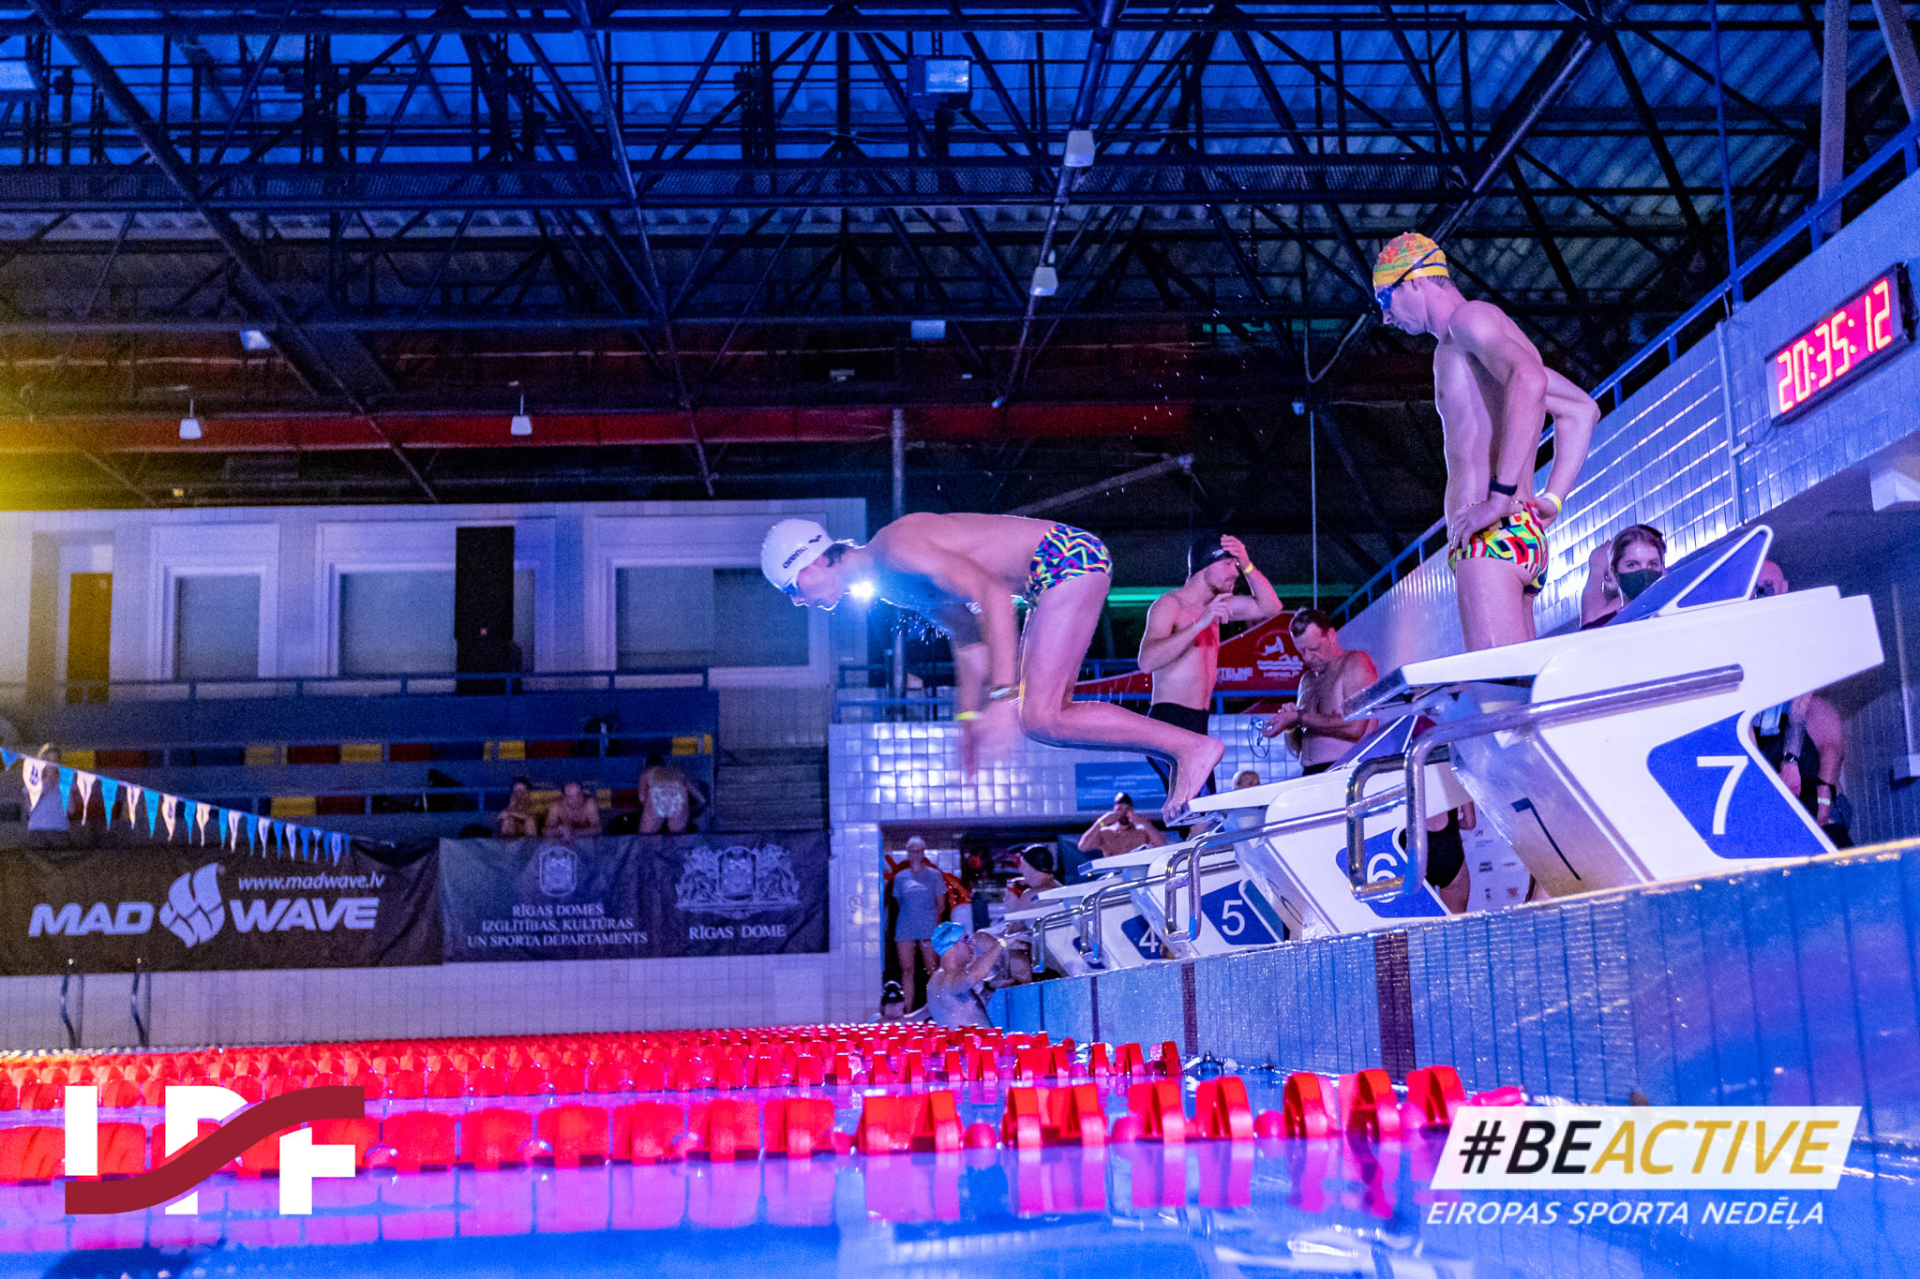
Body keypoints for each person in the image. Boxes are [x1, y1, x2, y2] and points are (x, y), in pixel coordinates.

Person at [762, 514, 1225, 820]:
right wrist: (968, 720)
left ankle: (1188, 748)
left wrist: (1003, 697)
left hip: (1065, 559)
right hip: (1056, 569)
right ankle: (1183, 748)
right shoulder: (888, 584)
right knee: (1043, 718)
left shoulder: (894, 550)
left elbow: (993, 596)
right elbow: (967, 636)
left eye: (792, 590)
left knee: (1038, 715)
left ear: (811, 562)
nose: (799, 600)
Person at [1374, 232, 1600, 651]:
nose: (1386, 318)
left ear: (1414, 281)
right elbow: (1581, 410)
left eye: (1384, 300)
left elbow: (1530, 381)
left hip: (1491, 534)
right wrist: (1553, 499)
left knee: (1497, 696)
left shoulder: (1467, 319)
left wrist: (1498, 498)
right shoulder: (1478, 346)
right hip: (1517, 534)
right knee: (1521, 695)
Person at [1136, 533, 1281, 798]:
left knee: (1198, 815)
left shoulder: (1219, 606)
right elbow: (1147, 661)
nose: (1235, 574)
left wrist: (1248, 563)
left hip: (1197, 723)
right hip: (1169, 721)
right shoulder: (1170, 605)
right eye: (1229, 564)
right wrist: (1199, 624)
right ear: (1205, 565)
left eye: (1237, 567)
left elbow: (1271, 606)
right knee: (1199, 815)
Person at [1750, 564, 1853, 847]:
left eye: (1769, 584)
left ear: (1784, 587)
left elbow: (1830, 756)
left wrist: (1823, 810)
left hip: (1817, 803)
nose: (1763, 592)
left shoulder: (1816, 713)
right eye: (1757, 587)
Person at [1258, 611, 1379, 775]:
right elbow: (1297, 750)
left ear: (1331, 636)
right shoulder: (1306, 679)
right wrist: (1289, 726)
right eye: (1302, 651)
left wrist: (1298, 717)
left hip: (1343, 771)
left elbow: (1355, 727)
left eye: (1314, 649)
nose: (1308, 658)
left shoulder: (1355, 662)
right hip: (1310, 771)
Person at [885, 836, 953, 1007]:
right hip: (905, 928)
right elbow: (900, 904)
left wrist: (933, 928)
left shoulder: (934, 875)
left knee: (932, 971)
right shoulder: (900, 877)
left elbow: (941, 905)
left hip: (928, 928)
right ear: (908, 853)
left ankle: (936, 1010)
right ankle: (907, 1011)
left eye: (919, 851)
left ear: (923, 853)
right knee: (907, 971)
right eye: (912, 851)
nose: (915, 854)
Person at [1580, 524, 1667, 628]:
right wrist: (1597, 571)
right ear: (1614, 572)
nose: (1644, 573)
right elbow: (1592, 625)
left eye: (1652, 564)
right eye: (1632, 565)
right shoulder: (1605, 628)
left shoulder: (1678, 612)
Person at [1000, 844, 1063, 986]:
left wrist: (1012, 905)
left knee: (990, 940)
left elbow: (1014, 930)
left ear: (1030, 866)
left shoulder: (1030, 896)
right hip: (1058, 954)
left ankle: (1016, 987)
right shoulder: (1058, 886)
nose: (1020, 869)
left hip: (1045, 962)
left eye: (1022, 865)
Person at [923, 921, 1003, 1028]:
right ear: (951, 947)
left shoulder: (938, 979)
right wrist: (1002, 943)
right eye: (966, 939)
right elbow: (973, 976)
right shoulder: (947, 977)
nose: (972, 943)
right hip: (972, 1043)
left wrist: (989, 988)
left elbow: (967, 1008)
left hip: (971, 1042)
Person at [1078, 792, 1167, 859]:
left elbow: (1163, 846)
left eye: (1127, 809)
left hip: (1137, 873)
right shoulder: (1106, 833)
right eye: (1120, 809)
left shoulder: (1141, 832)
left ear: (1132, 811)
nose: (1124, 813)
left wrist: (1145, 824)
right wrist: (1100, 823)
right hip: (1113, 875)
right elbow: (1083, 846)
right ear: (1113, 811)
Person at [25, 744, 75, 849]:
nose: (51, 763)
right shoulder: (33, 779)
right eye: (48, 759)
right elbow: (27, 808)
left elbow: (71, 809)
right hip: (37, 830)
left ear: (59, 762)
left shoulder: (66, 780)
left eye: (55, 760)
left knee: (63, 862)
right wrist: (44, 788)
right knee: (36, 863)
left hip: (60, 829)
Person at [638, 753, 695, 835]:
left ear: (647, 766)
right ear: (663, 765)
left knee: (646, 838)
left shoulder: (647, 773)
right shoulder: (679, 774)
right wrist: (691, 812)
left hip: (657, 801)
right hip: (677, 801)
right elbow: (702, 800)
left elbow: (642, 798)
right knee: (677, 839)